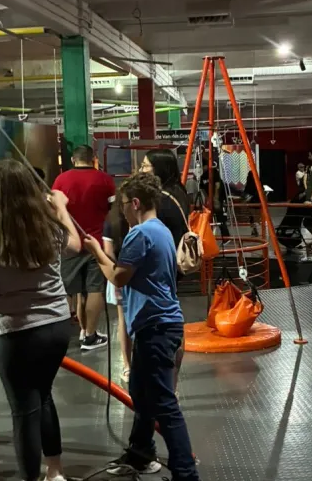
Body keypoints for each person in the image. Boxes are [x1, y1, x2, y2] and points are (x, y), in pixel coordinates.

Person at [0, 159, 82, 481]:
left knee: (24, 410)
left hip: (17, 335)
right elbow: (76, 244)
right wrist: (61, 208)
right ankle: (55, 472)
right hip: (56, 328)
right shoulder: (48, 231)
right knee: (44, 396)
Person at [83, 172, 199, 481]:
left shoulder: (140, 234)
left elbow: (119, 277)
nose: (121, 211)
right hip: (163, 324)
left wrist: (96, 252)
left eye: (122, 204)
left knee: (164, 403)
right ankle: (140, 451)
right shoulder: (162, 231)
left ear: (135, 203)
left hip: (156, 327)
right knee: (141, 391)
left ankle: (186, 473)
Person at [52, 145, 115, 351]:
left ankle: (68, 334)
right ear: (93, 159)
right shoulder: (105, 180)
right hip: (96, 242)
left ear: (73, 159)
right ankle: (89, 335)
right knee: (94, 289)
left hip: (69, 243)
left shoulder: (61, 181)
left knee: (71, 291)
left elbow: (55, 210)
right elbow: (112, 210)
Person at [139, 148, 189, 391]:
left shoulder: (161, 200)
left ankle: (165, 381)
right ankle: (171, 380)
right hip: (174, 264)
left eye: (146, 166)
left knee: (162, 324)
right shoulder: (179, 191)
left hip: (162, 266)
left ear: (158, 169)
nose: (141, 170)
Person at [103, 204, 132, 382]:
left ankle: (127, 366)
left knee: (123, 320)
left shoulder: (110, 220)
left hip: (118, 274)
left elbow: (107, 251)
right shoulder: (139, 218)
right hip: (139, 273)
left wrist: (118, 269)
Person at [197, 151, 230, 240]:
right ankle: (208, 237)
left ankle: (226, 237)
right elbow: (202, 189)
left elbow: (217, 185)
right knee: (207, 218)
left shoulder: (213, 172)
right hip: (209, 199)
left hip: (218, 197)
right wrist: (207, 198)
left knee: (220, 217)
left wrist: (215, 198)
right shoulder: (201, 176)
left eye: (203, 167)